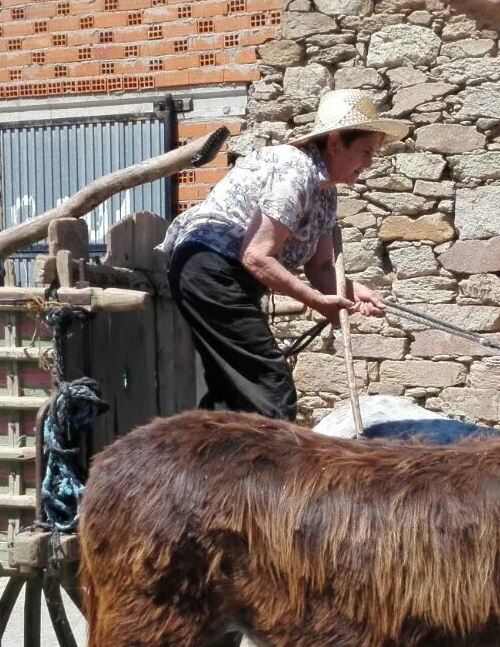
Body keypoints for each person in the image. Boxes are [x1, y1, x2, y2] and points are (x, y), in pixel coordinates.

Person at [159, 89, 408, 420]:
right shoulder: (295, 170)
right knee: (270, 389)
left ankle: (202, 460)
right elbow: (256, 256)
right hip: (209, 268)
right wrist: (317, 302)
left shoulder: (326, 193)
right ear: (335, 143)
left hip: (227, 277)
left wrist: (351, 291)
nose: (369, 163)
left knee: (234, 393)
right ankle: (260, 469)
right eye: (365, 151)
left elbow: (321, 267)